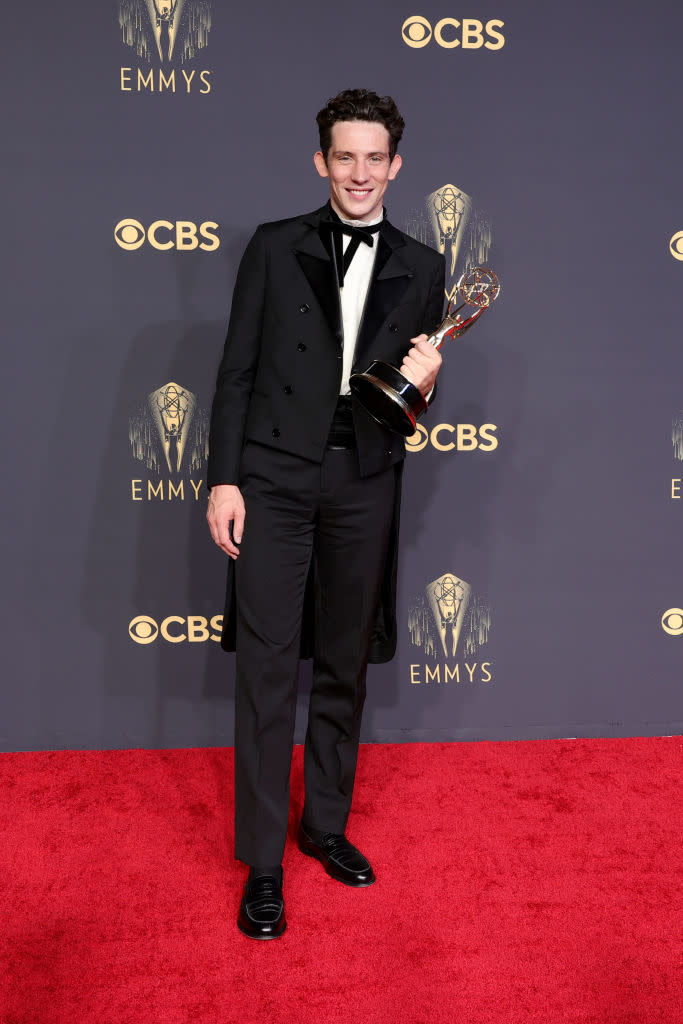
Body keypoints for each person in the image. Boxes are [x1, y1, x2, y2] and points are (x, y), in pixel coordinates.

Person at [206, 88, 445, 939]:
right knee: (268, 667)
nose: (358, 172)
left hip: (363, 478)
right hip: (270, 477)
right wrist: (223, 479)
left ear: (395, 166)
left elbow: (408, 406)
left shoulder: (425, 264)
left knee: (343, 659)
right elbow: (234, 371)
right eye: (343, 156)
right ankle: (263, 863)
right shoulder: (274, 247)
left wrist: (423, 386)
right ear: (321, 161)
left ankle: (326, 826)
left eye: (373, 157)